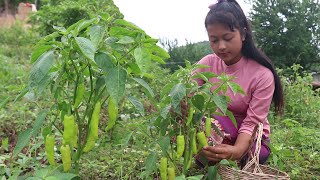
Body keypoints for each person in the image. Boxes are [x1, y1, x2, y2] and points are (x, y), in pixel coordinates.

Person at [193, 0, 284, 166]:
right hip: (219, 127)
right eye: (214, 40)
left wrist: (237, 150)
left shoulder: (262, 75)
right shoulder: (207, 63)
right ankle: (213, 157)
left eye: (228, 38)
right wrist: (184, 104)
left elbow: (252, 122)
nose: (221, 46)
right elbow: (187, 92)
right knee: (206, 129)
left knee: (258, 154)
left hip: (248, 134)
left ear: (243, 34)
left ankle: (232, 155)